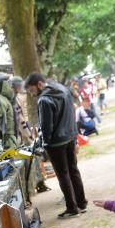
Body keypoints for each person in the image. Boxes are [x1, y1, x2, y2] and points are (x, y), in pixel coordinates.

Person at [24, 72, 87, 218]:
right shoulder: (63, 90)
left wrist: (44, 144)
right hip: (70, 138)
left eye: (32, 90)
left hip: (56, 143)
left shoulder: (44, 100)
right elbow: (71, 115)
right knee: (73, 170)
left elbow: (46, 126)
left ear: (39, 84)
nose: (33, 95)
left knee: (63, 174)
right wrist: (74, 136)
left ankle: (72, 208)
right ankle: (81, 203)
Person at [0, 73, 19, 150]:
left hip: (11, 140)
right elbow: (0, 125)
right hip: (8, 142)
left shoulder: (0, 98)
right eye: (8, 83)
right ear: (2, 84)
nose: (10, 85)